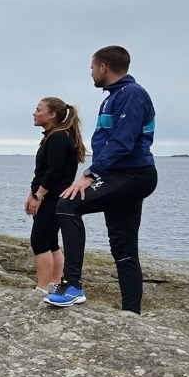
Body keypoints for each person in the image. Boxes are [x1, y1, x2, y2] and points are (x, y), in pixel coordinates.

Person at [47, 46, 157, 313]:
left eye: (93, 68)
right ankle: (131, 315)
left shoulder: (132, 94)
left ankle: (72, 285)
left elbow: (122, 143)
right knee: (123, 247)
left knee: (67, 204)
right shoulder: (113, 97)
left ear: (104, 67)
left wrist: (90, 175)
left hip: (134, 174)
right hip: (121, 175)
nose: (92, 73)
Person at [24, 98, 84, 295]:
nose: (34, 113)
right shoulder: (54, 136)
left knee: (39, 240)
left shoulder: (58, 137)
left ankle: (42, 288)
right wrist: (31, 194)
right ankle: (55, 284)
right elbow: (42, 172)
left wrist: (39, 196)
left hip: (53, 197)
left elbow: (53, 172)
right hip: (52, 196)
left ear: (52, 115)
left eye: (38, 109)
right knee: (50, 241)